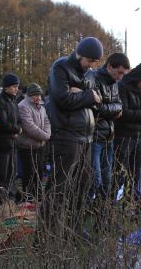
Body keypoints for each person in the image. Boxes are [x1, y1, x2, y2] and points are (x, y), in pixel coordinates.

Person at [43, 36, 103, 241]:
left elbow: (97, 101)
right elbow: (62, 99)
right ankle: (46, 235)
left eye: (95, 63)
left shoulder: (89, 75)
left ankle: (73, 229)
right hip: (66, 135)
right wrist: (88, 96)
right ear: (80, 55)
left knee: (83, 184)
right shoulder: (61, 67)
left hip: (85, 137)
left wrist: (85, 95)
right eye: (90, 61)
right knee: (60, 186)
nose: (92, 66)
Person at [86, 53, 128, 202]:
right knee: (94, 180)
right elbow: (95, 108)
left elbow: (119, 105)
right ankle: (85, 214)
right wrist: (112, 111)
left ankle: (101, 217)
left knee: (107, 180)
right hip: (95, 136)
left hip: (109, 137)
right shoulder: (93, 78)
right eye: (120, 72)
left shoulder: (115, 84)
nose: (121, 77)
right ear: (110, 66)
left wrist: (108, 110)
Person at [113, 63, 141, 206]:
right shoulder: (122, 87)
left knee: (135, 176)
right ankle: (111, 207)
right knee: (119, 175)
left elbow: (139, 112)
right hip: (123, 137)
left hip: (137, 136)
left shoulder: (140, 90)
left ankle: (130, 207)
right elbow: (123, 113)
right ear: (138, 78)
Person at [17, 83, 51, 201]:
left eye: (40, 95)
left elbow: (46, 121)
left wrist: (47, 134)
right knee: (29, 173)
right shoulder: (23, 106)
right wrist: (45, 136)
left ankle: (37, 194)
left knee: (40, 171)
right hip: (28, 147)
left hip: (40, 145)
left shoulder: (41, 106)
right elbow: (29, 127)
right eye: (36, 95)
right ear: (30, 95)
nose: (39, 97)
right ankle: (29, 196)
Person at [0, 74, 22, 204]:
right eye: (14, 86)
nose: (16, 89)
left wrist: (17, 129)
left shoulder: (14, 101)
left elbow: (18, 120)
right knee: (1, 174)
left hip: (12, 143)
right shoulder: (0, 101)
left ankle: (10, 199)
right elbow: (2, 123)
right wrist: (16, 129)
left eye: (17, 86)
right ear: (6, 87)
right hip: (2, 144)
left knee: (12, 173)